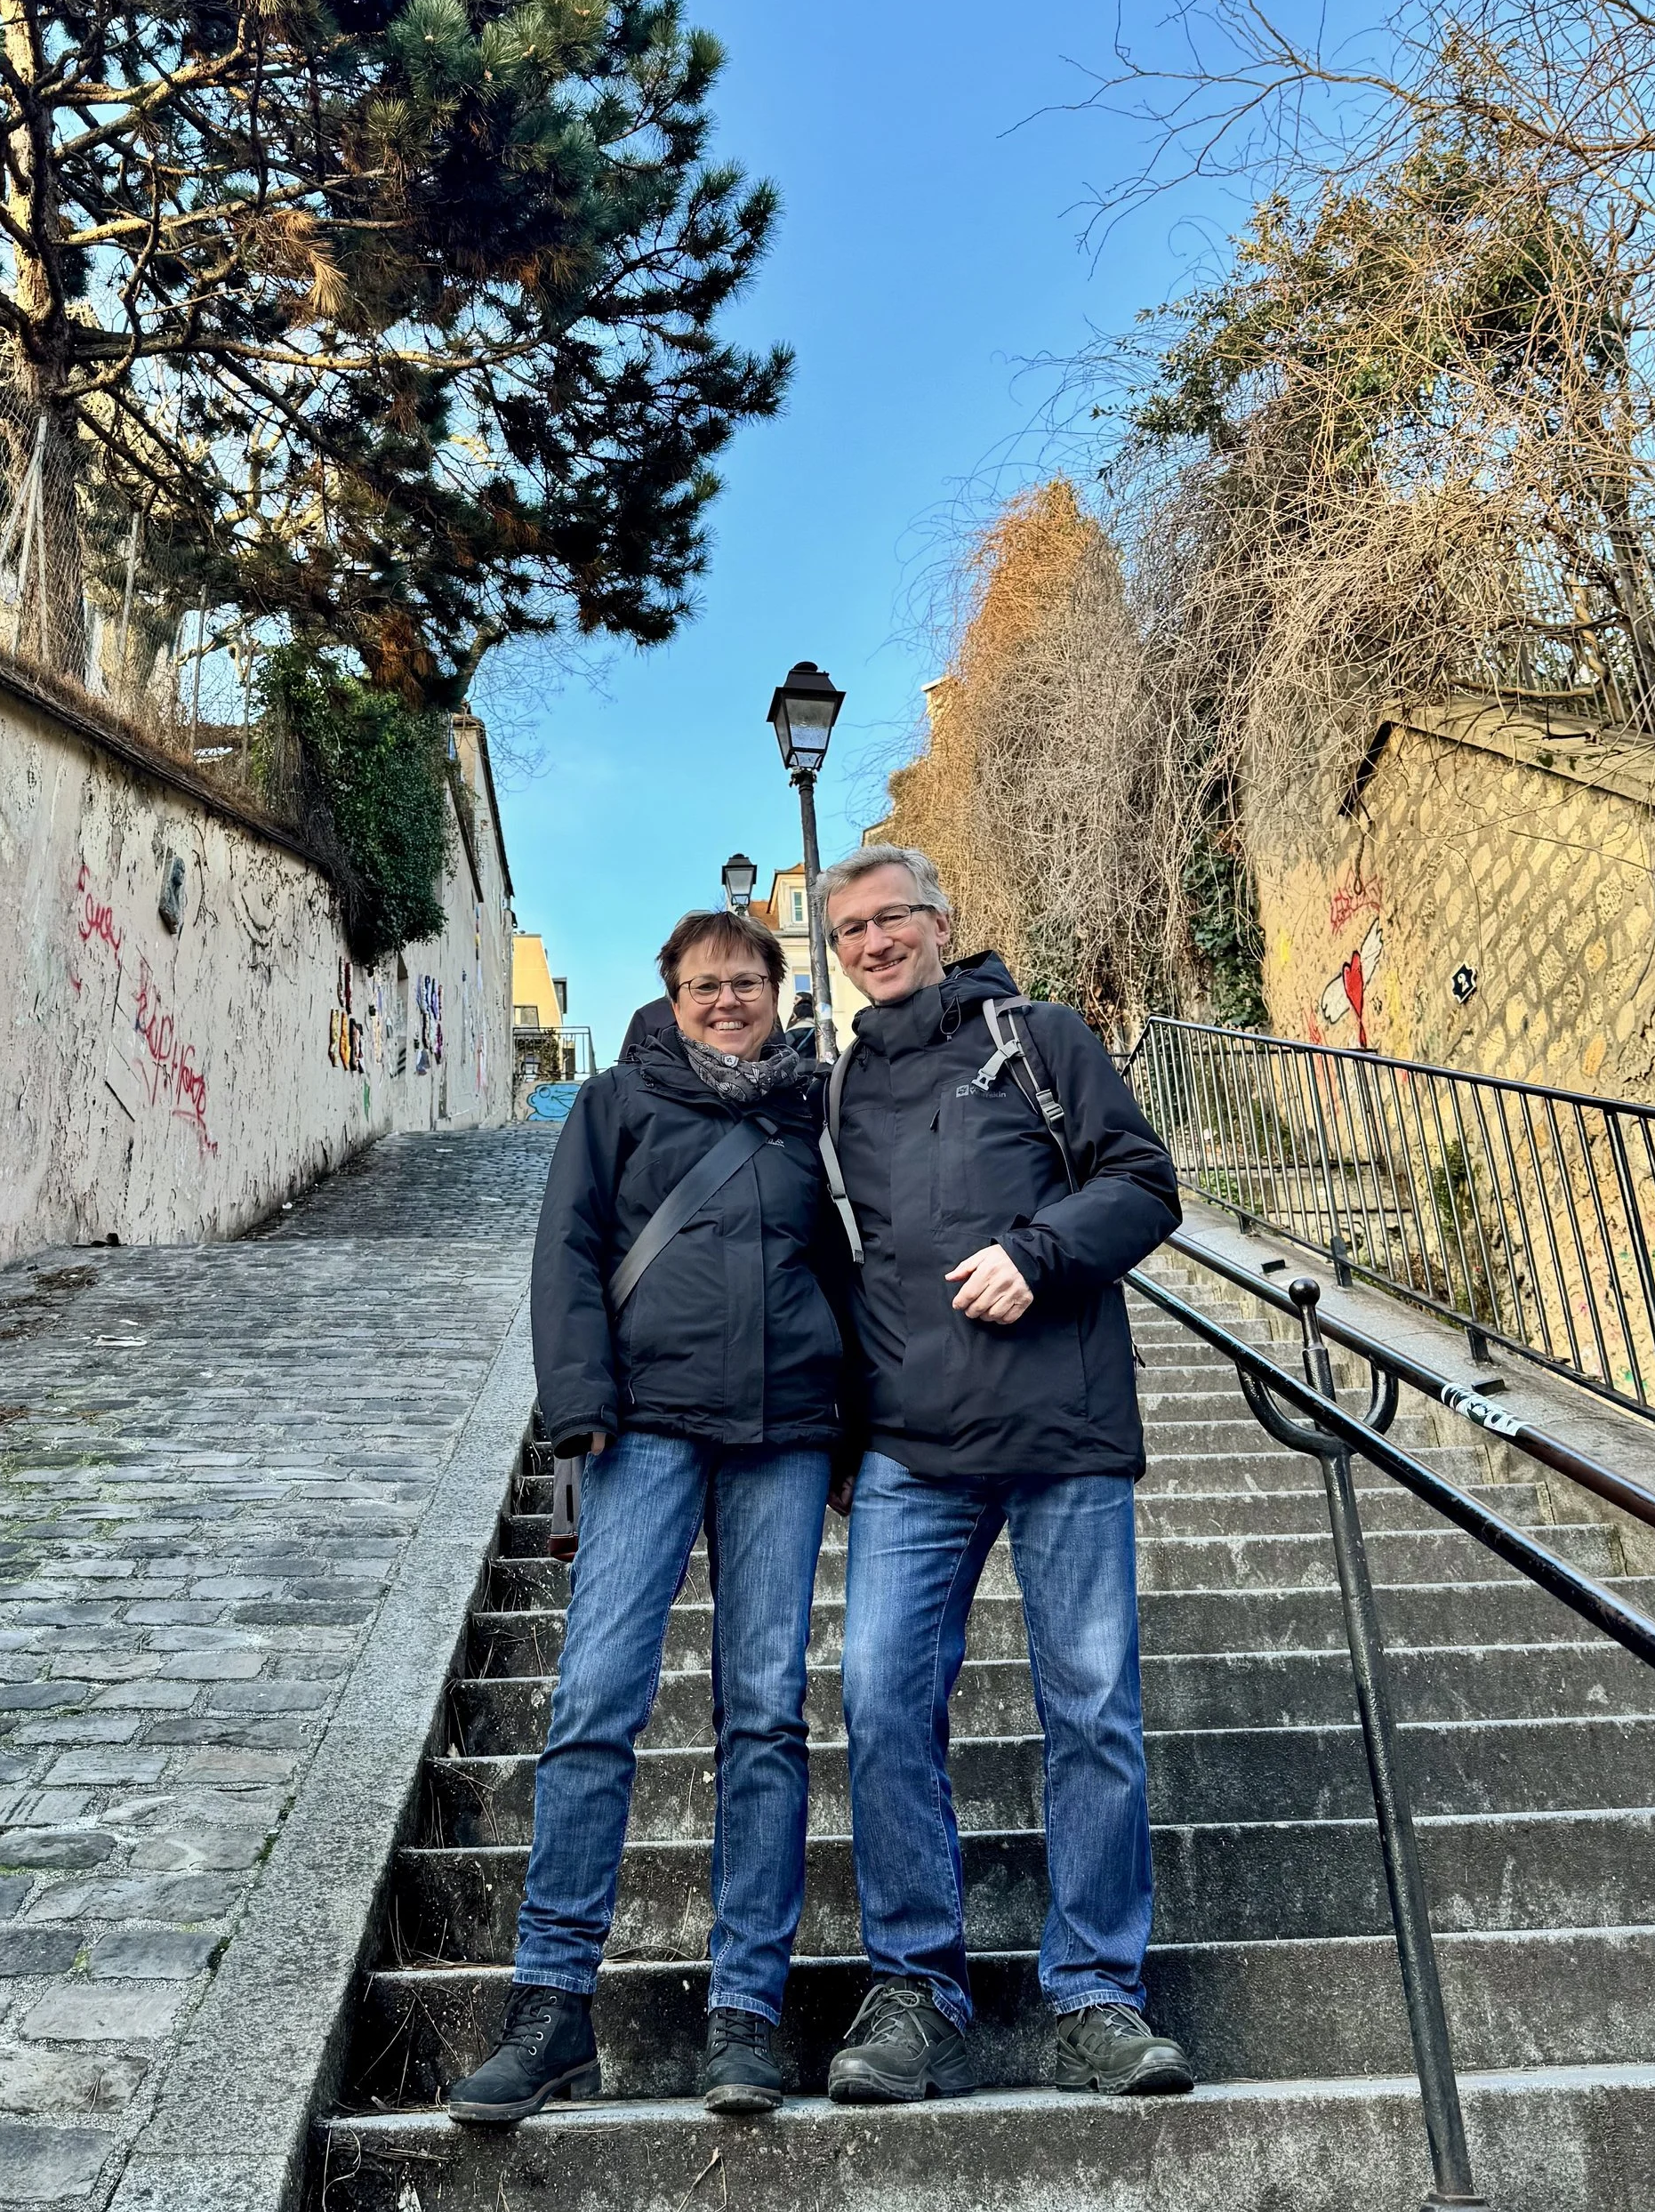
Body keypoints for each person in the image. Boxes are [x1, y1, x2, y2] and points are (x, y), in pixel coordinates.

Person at [450, 906, 845, 2128]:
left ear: (780, 990)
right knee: (592, 1703)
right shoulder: (618, 1105)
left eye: (747, 982)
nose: (727, 1000)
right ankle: (552, 2002)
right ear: (670, 997)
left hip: (784, 1435)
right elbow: (566, 1254)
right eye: (704, 985)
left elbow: (861, 1263)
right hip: (648, 1428)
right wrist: (581, 1405)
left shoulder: (815, 1109)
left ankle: (745, 2012)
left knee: (766, 1719)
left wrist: (861, 1423)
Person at [815, 844, 1193, 2105]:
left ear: (940, 919)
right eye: (850, 929)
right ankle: (917, 1987)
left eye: (893, 919)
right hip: (913, 1456)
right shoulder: (839, 1093)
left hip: (1063, 1436)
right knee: (878, 1702)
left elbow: (1145, 1184)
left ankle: (1094, 1993)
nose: (874, 942)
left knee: (1092, 1709)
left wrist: (1041, 1250)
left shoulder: (1039, 1037)